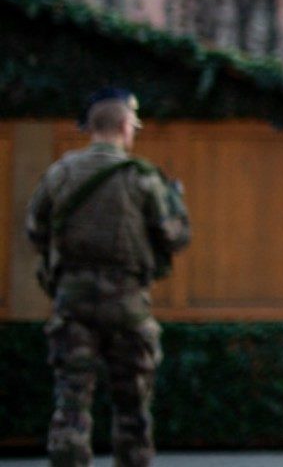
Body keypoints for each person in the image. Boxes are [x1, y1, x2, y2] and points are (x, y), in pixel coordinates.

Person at [25, 89, 191, 467]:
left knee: (71, 404)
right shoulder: (142, 179)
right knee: (132, 409)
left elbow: (35, 230)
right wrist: (177, 203)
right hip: (127, 304)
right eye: (133, 125)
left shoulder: (60, 173)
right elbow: (173, 236)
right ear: (122, 126)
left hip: (73, 301)